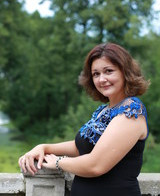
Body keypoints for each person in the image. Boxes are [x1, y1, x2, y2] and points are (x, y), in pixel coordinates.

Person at [18, 43, 149, 196]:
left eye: (108, 71)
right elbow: (81, 146)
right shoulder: (105, 110)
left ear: (125, 72)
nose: (102, 79)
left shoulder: (131, 111)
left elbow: (95, 165)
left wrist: (58, 163)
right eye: (96, 74)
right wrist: (44, 147)